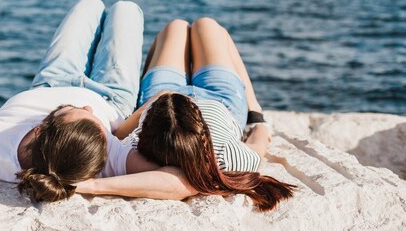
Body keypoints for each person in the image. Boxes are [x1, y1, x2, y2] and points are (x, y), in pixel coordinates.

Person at [0, 0, 158, 202]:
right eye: (92, 117)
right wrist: (90, 185)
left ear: (40, 128)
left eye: (75, 110)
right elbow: (180, 181)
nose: (88, 107)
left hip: (52, 79)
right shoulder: (99, 153)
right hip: (111, 95)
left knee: (89, 3)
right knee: (127, 9)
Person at [113, 17, 296, 211]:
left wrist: (157, 98)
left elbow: (119, 134)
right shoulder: (229, 158)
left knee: (175, 27)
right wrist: (255, 116)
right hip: (222, 100)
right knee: (208, 25)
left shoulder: (138, 149)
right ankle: (254, 106)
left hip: (162, 97)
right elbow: (260, 134)